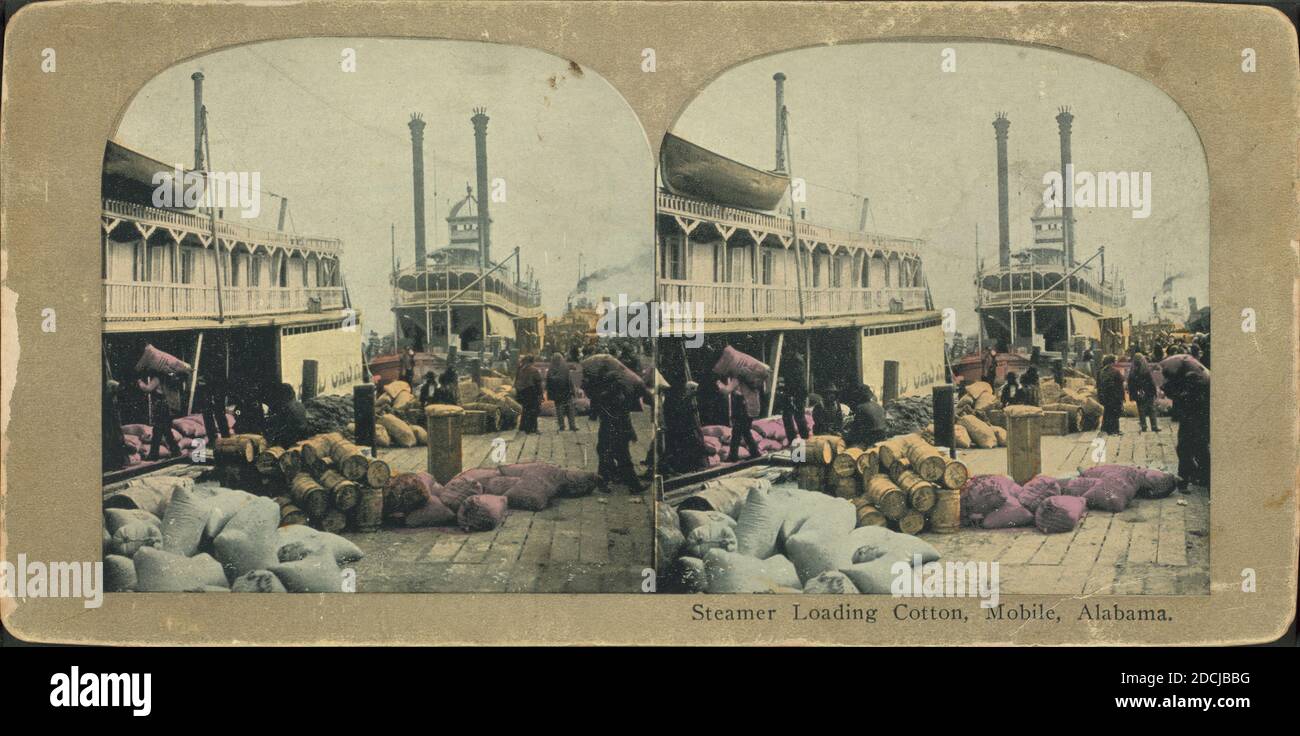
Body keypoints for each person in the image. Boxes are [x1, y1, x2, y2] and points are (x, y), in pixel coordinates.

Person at [1160, 354, 1210, 490]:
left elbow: (1184, 401)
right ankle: (1203, 477)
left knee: (1184, 449)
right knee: (1200, 449)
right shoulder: (1200, 378)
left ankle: (1184, 481)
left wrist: (1173, 393)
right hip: (1200, 420)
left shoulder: (1192, 382)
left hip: (1192, 421)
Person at [590, 382, 643, 492]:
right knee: (624, 459)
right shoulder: (621, 398)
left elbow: (594, 414)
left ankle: (603, 483)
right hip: (619, 433)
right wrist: (631, 433)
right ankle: (634, 485)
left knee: (605, 459)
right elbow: (625, 418)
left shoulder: (601, 397)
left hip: (605, 431)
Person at [139, 371, 182, 461]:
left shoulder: (157, 378)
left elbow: (147, 389)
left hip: (161, 407)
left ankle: (154, 455)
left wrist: (140, 382)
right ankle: (175, 451)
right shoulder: (169, 378)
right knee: (166, 430)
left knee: (157, 430)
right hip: (168, 407)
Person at [719, 377, 760, 462]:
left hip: (743, 410)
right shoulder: (750, 381)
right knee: (745, 432)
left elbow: (726, 391)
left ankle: (733, 457)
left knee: (736, 433)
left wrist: (719, 384)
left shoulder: (737, 379)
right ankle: (755, 453)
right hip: (750, 410)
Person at [265, 382, 309, 448]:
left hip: (293, 440)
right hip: (303, 437)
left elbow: (281, 428)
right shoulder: (300, 405)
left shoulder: (287, 408)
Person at [1127, 349, 1160, 433]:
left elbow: (1130, 384)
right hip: (1148, 392)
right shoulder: (1145, 370)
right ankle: (1154, 426)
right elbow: (1151, 382)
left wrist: (1133, 394)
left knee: (1141, 410)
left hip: (1139, 393)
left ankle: (1144, 426)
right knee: (1151, 409)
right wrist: (1154, 392)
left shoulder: (1132, 371)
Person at [774, 375, 810, 443]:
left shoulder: (793, 370)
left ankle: (801, 439)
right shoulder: (797, 370)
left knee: (795, 417)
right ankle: (800, 439)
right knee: (792, 417)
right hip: (794, 392)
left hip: (796, 392)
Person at [546, 352, 577, 432]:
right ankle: (572, 426)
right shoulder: (565, 368)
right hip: (567, 392)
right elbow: (570, 381)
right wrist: (573, 391)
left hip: (557, 393)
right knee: (570, 409)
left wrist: (550, 393)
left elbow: (548, 382)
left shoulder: (551, 369)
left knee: (559, 410)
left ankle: (562, 426)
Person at [197, 373, 231, 442]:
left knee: (218, 412)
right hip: (208, 380)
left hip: (217, 381)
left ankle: (225, 437)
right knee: (207, 412)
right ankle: (213, 438)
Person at [1097, 354, 1125, 435]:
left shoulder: (1101, 371)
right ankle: (1114, 430)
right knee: (1115, 413)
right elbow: (1121, 380)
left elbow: (1098, 384)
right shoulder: (1115, 371)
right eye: (1115, 361)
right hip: (1115, 395)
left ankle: (1105, 428)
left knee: (1107, 412)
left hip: (1105, 395)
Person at [515, 355, 543, 434]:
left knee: (525, 410)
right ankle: (532, 428)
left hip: (522, 392)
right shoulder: (534, 370)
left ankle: (523, 426)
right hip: (531, 391)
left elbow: (516, 381)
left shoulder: (520, 369)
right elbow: (538, 383)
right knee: (534, 410)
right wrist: (540, 394)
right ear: (532, 361)